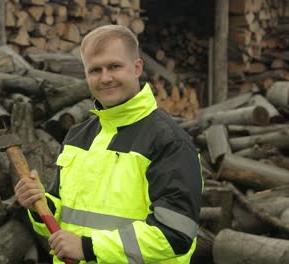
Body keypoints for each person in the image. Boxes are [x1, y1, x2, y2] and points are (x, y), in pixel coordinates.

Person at [15, 24, 202, 264]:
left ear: (137, 68)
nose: (105, 78)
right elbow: (65, 219)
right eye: (95, 70)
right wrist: (39, 204)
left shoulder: (169, 141)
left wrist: (88, 247)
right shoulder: (78, 135)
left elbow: (175, 234)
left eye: (114, 66)